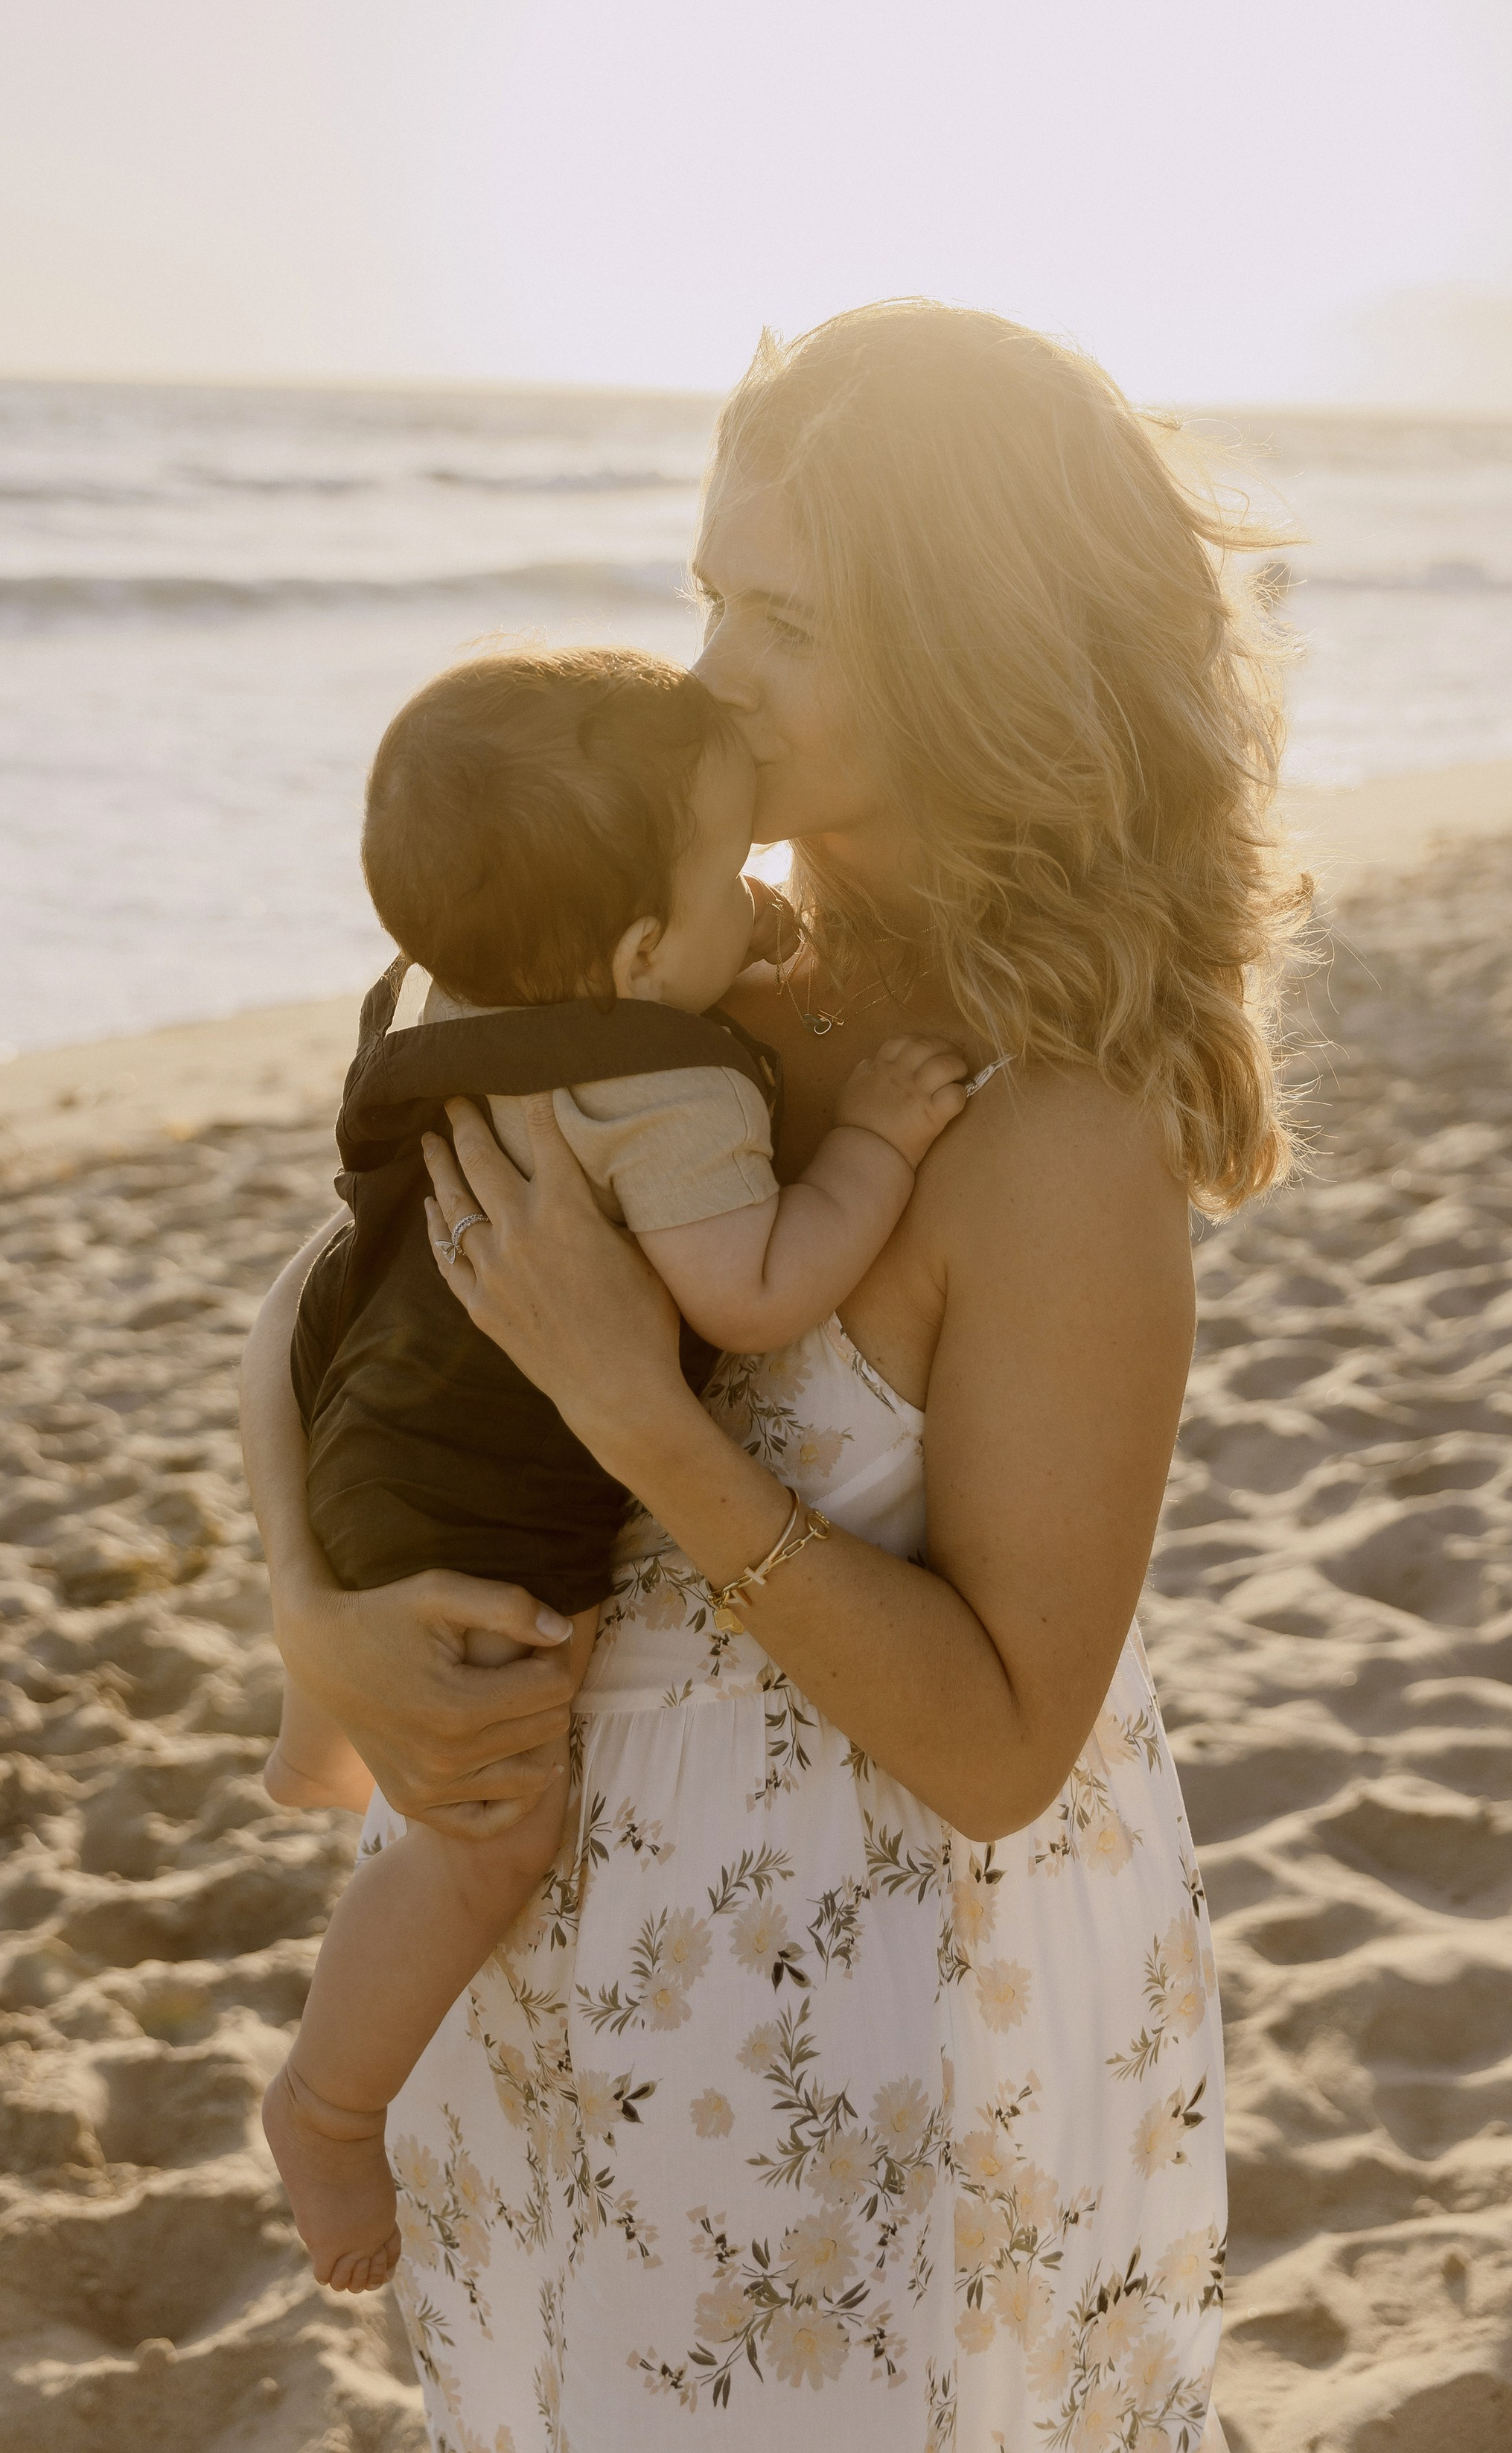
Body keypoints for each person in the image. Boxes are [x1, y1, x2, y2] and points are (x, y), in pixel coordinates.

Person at [240, 300, 1304, 2447]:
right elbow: (334, 1301)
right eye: (712, 589)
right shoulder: (645, 971)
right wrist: (315, 1612)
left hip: (873, 2017)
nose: (716, 669)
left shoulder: (1053, 1135)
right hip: (549, 1951)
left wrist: (648, 1419)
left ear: (973, 646)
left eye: (791, 616)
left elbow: (1006, 1743)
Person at [261, 644, 969, 2291]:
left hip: (360, 1415)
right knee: (486, 1837)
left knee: (394, 1652)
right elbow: (752, 1286)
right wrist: (869, 1139)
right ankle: (322, 2099)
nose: (757, 892)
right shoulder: (658, 1078)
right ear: (643, 951)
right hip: (479, 1501)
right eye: (732, 874)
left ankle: (319, 1717)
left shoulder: (464, 1008)